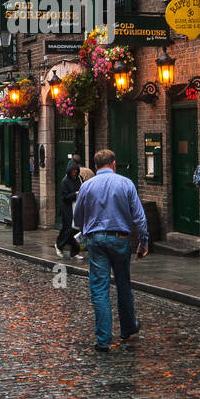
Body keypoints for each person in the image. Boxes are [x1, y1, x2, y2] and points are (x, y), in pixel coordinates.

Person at [73, 150, 148, 352]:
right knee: (123, 284)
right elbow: (139, 217)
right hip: (120, 239)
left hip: (96, 240)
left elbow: (77, 217)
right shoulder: (126, 184)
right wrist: (143, 241)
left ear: (96, 166)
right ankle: (127, 329)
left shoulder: (87, 186)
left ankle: (104, 339)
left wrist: (83, 228)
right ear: (113, 164)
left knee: (99, 289)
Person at [55, 159, 84, 260]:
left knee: (76, 230)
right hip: (68, 208)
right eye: (73, 170)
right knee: (67, 229)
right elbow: (64, 197)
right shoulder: (65, 181)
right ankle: (59, 245)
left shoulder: (79, 179)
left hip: (77, 206)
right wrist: (75, 194)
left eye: (76, 170)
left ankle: (75, 252)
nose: (75, 172)